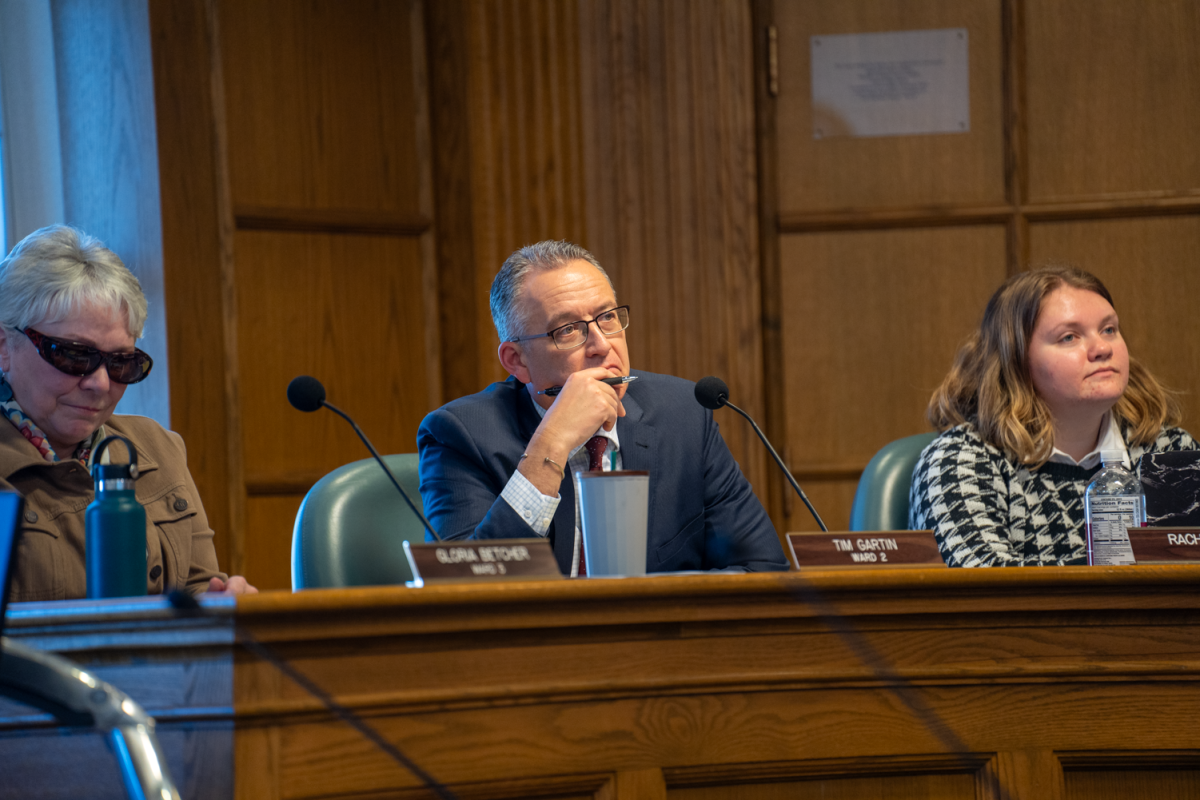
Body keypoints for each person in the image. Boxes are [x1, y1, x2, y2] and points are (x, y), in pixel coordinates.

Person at [417, 240, 789, 576]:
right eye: (567, 330)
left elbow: (762, 569)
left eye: (607, 317)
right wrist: (552, 444)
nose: (600, 344)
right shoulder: (460, 433)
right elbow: (464, 587)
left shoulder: (684, 414)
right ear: (516, 360)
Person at [0, 225, 256, 601]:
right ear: (4, 346)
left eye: (122, 363)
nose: (101, 384)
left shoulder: (158, 448)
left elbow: (198, 586)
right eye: (74, 355)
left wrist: (221, 604)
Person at [909, 265, 1197, 567]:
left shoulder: (1169, 452)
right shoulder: (960, 461)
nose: (1101, 348)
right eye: (1069, 337)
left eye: (1109, 329)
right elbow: (987, 596)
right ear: (1017, 361)